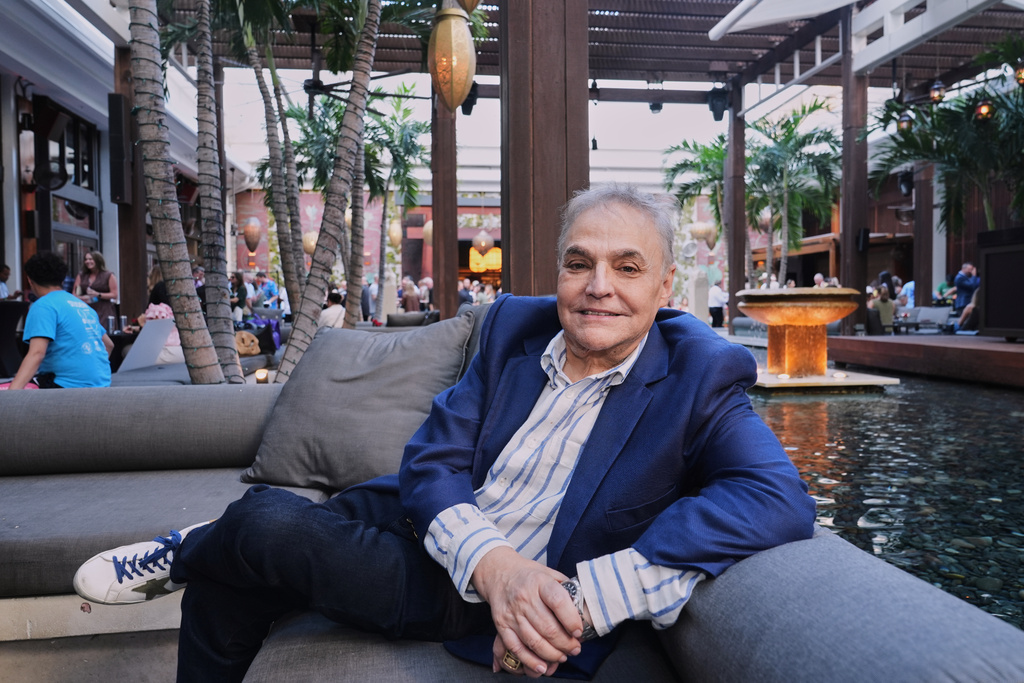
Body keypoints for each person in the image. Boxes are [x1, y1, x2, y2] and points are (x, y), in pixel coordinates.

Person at [73, 184, 814, 682]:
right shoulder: (514, 328)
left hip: (455, 592)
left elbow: (777, 497)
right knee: (225, 581)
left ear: (664, 284)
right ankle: (206, 549)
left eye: (628, 267)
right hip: (424, 521)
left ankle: (195, 545)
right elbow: (432, 459)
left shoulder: (700, 374)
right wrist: (494, 560)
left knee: (262, 521)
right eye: (579, 263)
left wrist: (583, 597)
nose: (599, 286)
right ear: (558, 270)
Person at [8, 252, 113, 390]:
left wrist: (10, 396)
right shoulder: (82, 305)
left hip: (65, 388)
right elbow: (109, 345)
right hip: (103, 385)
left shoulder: (43, 306)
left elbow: (37, 354)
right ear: (62, 280)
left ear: (30, 280)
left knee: (20, 385)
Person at [73, 251, 118, 325]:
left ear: (98, 260)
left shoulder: (108, 275)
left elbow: (114, 294)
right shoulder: (81, 275)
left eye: (90, 259)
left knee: (103, 330)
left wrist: (98, 294)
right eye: (86, 259)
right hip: (86, 310)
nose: (87, 261)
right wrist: (82, 298)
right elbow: (74, 294)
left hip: (104, 311)